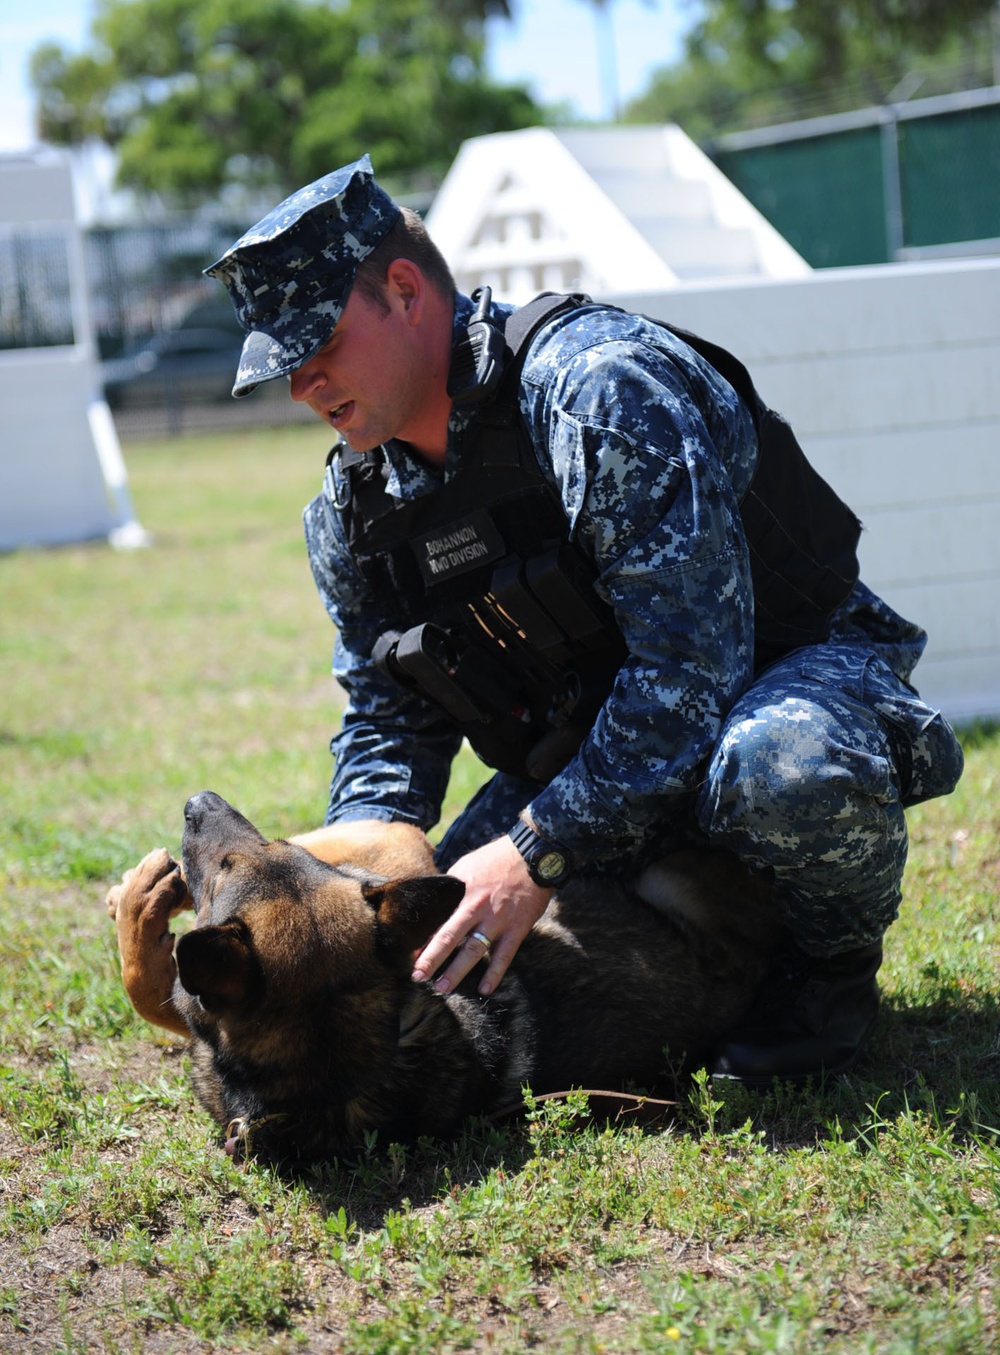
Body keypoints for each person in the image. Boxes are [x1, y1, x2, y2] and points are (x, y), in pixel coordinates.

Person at [204, 154, 964, 1084]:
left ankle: (826, 977)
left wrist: (533, 850)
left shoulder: (597, 391)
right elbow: (388, 723)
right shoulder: (353, 513)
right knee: (440, 930)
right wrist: (354, 898)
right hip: (595, 748)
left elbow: (691, 674)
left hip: (774, 685)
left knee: (782, 766)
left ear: (404, 290)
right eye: (284, 368)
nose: (303, 386)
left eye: (316, 343)